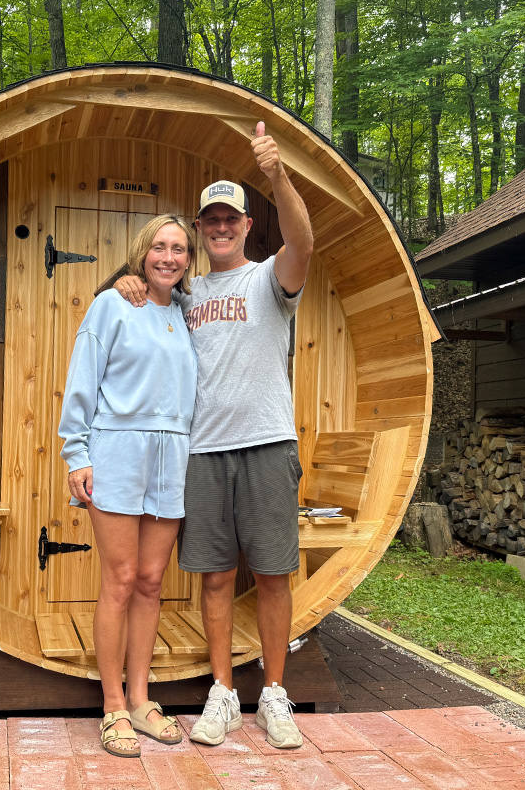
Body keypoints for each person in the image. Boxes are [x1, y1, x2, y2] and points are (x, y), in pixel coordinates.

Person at [114, 121, 314, 749]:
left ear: (248, 225)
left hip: (267, 444)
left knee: (274, 574)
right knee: (216, 577)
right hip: (201, 453)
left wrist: (277, 174)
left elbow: (304, 240)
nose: (221, 227)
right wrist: (126, 280)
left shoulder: (271, 278)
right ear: (201, 229)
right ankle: (222, 693)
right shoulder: (185, 293)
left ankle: (274, 694)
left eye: (232, 218)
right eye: (212, 220)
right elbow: (143, 293)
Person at [58, 214, 198, 758]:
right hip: (117, 451)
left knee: (150, 581)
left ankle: (141, 700)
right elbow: (82, 380)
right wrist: (77, 454)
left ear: (189, 260)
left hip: (173, 456)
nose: (169, 257)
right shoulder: (112, 305)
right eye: (160, 247)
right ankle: (112, 705)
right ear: (142, 253)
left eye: (179, 249)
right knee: (119, 578)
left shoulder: (187, 312)